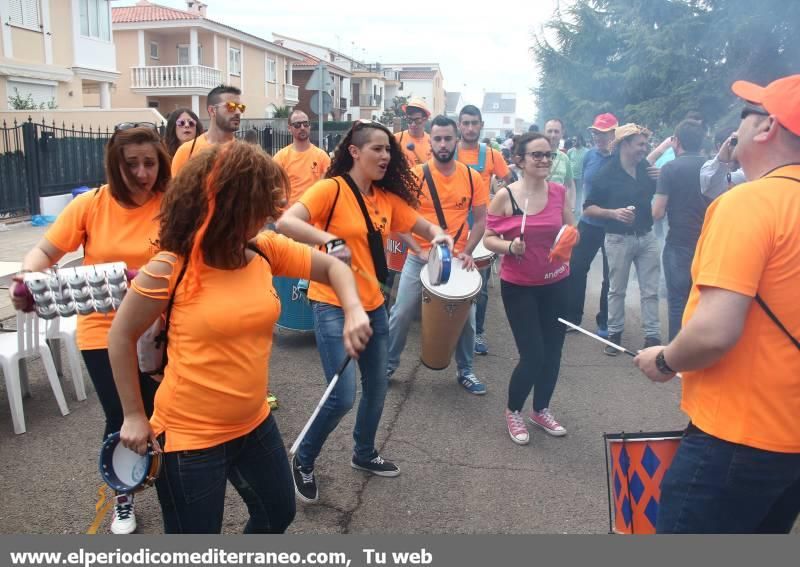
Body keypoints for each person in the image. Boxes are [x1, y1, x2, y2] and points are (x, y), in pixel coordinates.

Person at [108, 141, 372, 533]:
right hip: (189, 438)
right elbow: (120, 336)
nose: (268, 214)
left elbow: (335, 270)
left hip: (254, 424)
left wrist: (352, 309)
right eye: (257, 205)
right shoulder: (171, 266)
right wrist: (133, 415)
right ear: (223, 206)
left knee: (277, 512)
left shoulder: (264, 249)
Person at [634, 74, 800, 534]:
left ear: (766, 128)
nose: (738, 125)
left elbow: (714, 333)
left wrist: (664, 358)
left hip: (736, 438)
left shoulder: (748, 204)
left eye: (747, 114)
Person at [277, 120, 451, 503]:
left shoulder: (385, 199)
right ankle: (303, 459)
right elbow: (286, 222)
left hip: (373, 308)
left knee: (376, 389)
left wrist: (440, 236)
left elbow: (422, 225)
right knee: (341, 397)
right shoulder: (331, 190)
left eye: (389, 149)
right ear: (355, 152)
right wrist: (327, 239)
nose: (386, 155)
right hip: (332, 307)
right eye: (377, 148)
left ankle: (364, 452)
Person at [10, 124, 170, 535]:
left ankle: (172, 489)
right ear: (115, 165)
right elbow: (46, 251)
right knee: (122, 417)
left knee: (163, 414)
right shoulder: (93, 205)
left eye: (149, 163)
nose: (140, 173)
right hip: (104, 331)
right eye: (130, 164)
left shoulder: (173, 203)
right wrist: (28, 276)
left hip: (161, 331)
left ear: (161, 161)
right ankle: (123, 494)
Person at [483, 133, 576, 443]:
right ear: (519, 160)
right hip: (520, 286)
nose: (544, 160)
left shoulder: (559, 193)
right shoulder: (505, 197)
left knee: (553, 352)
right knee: (533, 354)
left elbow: (570, 229)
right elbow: (488, 238)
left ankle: (541, 409)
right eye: (537, 155)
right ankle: (513, 411)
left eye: (548, 155)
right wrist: (510, 246)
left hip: (557, 283)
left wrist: (567, 241)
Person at [387, 115, 489, 394]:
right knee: (401, 312)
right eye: (438, 139)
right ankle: (387, 366)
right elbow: (398, 219)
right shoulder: (415, 176)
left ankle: (466, 370)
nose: (443, 144)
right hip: (419, 258)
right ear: (430, 141)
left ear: (457, 140)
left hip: (457, 260)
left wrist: (468, 252)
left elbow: (480, 220)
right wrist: (417, 249)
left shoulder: (472, 177)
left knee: (467, 319)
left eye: (448, 138)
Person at [584, 123, 661, 353]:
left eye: (645, 144)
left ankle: (653, 337)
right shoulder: (605, 173)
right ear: (624, 144)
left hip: (647, 237)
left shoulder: (646, 168)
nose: (644, 149)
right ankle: (614, 334)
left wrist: (661, 179)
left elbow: (658, 194)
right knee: (617, 289)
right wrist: (613, 213)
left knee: (651, 290)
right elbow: (588, 208)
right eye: (640, 144)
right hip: (618, 238)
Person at [456, 105, 514, 356]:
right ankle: (451, 331)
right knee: (449, 279)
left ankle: (477, 333)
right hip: (453, 226)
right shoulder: (448, 152)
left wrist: (501, 208)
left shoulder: (492, 155)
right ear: (459, 125)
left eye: (474, 123)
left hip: (482, 226)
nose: (470, 128)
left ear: (481, 125)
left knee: (478, 285)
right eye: (465, 123)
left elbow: (511, 184)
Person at [652, 119, 709, 341]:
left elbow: (657, 212)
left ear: (676, 141)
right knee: (702, 300)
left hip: (678, 243)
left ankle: (675, 356)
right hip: (707, 242)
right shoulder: (712, 166)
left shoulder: (670, 168)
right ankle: (697, 350)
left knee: (677, 301)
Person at [564, 113, 618, 338]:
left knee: (610, 274)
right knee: (576, 268)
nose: (598, 137)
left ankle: (605, 321)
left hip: (613, 225)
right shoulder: (589, 156)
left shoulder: (621, 158)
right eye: (595, 132)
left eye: (603, 133)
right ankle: (572, 318)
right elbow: (581, 185)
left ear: (614, 134)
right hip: (588, 222)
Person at [171, 85, 243, 175]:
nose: (238, 112)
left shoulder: (244, 155)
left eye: (241, 107)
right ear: (212, 110)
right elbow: (177, 188)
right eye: (231, 106)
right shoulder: (187, 151)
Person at [272, 110, 332, 207]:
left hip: (315, 217)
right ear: (289, 128)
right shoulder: (280, 157)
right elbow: (272, 188)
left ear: (310, 126)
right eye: (297, 125)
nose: (302, 128)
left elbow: (331, 187)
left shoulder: (322, 157)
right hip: (288, 218)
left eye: (306, 124)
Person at [700, 126, 747, 200]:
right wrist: (721, 160)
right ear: (720, 146)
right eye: (733, 143)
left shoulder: (748, 168)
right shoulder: (711, 168)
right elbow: (709, 188)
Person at [544, 118, 576, 212]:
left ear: (562, 133)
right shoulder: (534, 155)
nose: (553, 135)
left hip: (557, 208)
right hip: (536, 207)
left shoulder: (564, 158)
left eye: (556, 131)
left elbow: (570, 184)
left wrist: (571, 207)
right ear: (544, 132)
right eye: (549, 131)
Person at [395, 97, 432, 167]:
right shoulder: (396, 139)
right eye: (409, 120)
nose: (413, 124)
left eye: (417, 120)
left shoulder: (431, 141)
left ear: (425, 119)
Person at [567, 135, 589, 217]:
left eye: (575, 140)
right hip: (571, 177)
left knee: (579, 195)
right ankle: (569, 210)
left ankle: (577, 212)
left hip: (581, 177)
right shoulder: (570, 151)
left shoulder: (586, 152)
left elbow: (587, 165)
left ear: (580, 140)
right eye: (572, 140)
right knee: (570, 194)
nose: (573, 142)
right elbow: (567, 163)